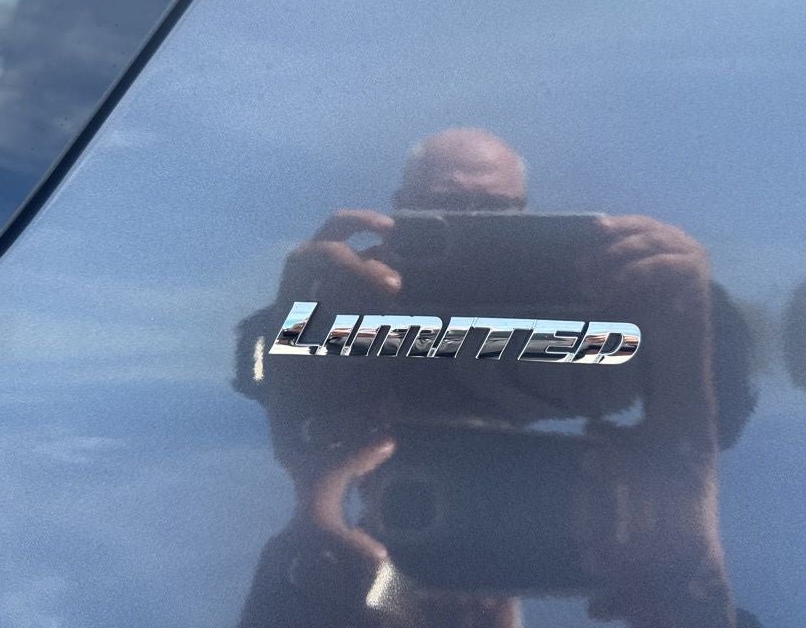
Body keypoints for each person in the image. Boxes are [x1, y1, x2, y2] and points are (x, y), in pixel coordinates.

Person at [235, 128, 755, 628]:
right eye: (443, 208)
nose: (471, 223)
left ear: (525, 217)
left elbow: (722, 399)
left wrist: (686, 305)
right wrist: (302, 315)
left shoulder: (603, 310)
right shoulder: (353, 311)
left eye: (494, 211)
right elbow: (258, 365)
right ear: (397, 212)